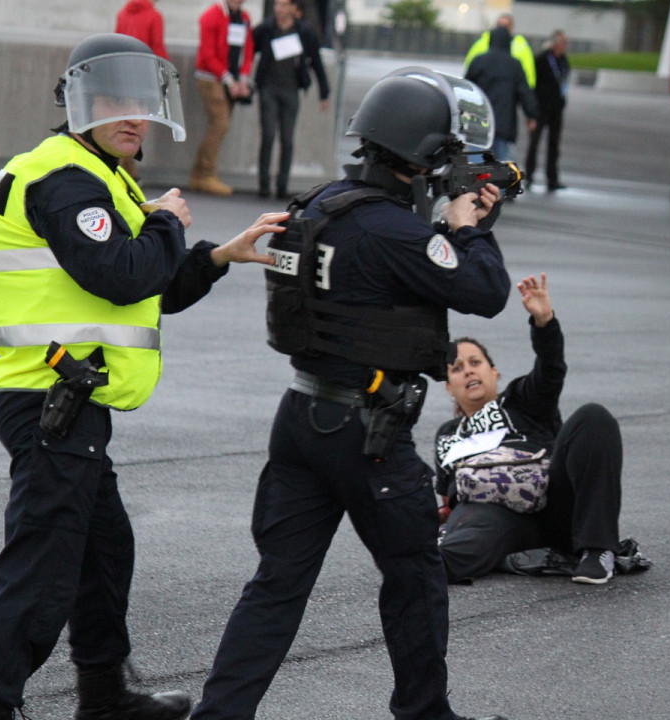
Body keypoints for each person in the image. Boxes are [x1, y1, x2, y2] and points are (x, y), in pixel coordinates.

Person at [0, 33, 287, 720]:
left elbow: (152, 287)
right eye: (115, 101)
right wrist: (166, 222)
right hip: (51, 396)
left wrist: (220, 255)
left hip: (70, 398)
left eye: (142, 102)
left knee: (103, 550)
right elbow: (123, 273)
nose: (133, 115)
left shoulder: (100, 177)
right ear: (78, 103)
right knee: (44, 563)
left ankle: (104, 695)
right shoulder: (64, 178)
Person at [190, 67, 511, 720]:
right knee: (416, 578)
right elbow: (485, 291)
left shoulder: (320, 205)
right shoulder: (397, 232)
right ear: (424, 158)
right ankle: (425, 714)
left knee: (277, 585)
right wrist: (468, 222)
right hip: (368, 433)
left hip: (303, 415)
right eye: (445, 159)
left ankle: (218, 716)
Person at [434, 273, 624, 585]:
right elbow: (447, 501)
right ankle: (428, 566)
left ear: (494, 372)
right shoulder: (448, 434)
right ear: (449, 388)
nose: (467, 370)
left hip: (551, 504)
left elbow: (550, 369)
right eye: (456, 368)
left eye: (475, 362)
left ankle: (597, 551)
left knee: (594, 417)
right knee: (465, 539)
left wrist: (544, 321)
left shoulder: (522, 399)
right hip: (495, 514)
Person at [252, 0, 331, 199]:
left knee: (287, 139)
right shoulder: (265, 29)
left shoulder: (304, 32)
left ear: (293, 9)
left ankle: (281, 185)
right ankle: (263, 184)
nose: (279, 9)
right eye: (277, 5)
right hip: (269, 88)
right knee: (268, 135)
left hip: (291, 90)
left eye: (284, 5)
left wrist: (324, 92)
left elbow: (316, 61)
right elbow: (248, 52)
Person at [190, 0, 255, 197]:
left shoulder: (243, 18)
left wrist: (242, 78)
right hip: (211, 79)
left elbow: (248, 50)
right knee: (220, 124)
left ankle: (200, 174)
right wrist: (229, 80)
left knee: (220, 125)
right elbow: (208, 54)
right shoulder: (211, 16)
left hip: (230, 80)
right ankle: (205, 174)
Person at [465, 26, 539, 162]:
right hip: (504, 124)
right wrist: (532, 115)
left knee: (476, 168)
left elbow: (466, 89)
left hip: (479, 124)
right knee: (500, 168)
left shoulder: (478, 61)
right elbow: (525, 92)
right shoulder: (514, 65)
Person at [115, 0, 170, 179]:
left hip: (122, 73)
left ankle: (126, 170)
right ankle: (128, 172)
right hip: (141, 75)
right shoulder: (154, 16)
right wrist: (165, 73)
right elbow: (157, 47)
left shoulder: (123, 12)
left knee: (122, 122)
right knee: (136, 124)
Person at [525, 30, 570, 192]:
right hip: (541, 108)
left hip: (557, 109)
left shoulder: (563, 60)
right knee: (534, 143)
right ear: (556, 43)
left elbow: (564, 80)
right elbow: (532, 84)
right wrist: (530, 111)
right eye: (563, 43)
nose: (565, 46)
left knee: (554, 144)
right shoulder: (542, 59)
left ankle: (552, 178)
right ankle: (528, 176)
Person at [464, 13, 536, 89]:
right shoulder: (480, 44)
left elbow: (529, 75)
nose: (503, 29)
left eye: (506, 26)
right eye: (500, 25)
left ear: (512, 27)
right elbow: (470, 69)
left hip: (509, 95)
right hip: (483, 91)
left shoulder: (522, 47)